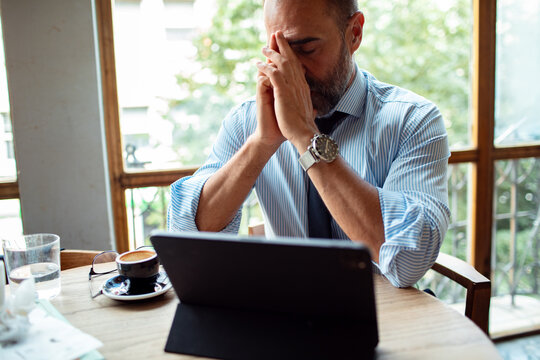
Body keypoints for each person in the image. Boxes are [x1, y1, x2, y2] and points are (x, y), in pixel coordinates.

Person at [167, 0, 450, 288]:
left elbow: (409, 260)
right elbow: (184, 237)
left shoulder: (413, 119)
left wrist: (305, 136)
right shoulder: (248, 121)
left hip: (387, 318)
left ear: (354, 33)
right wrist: (261, 143)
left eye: (305, 49)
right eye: (279, 51)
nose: (292, 70)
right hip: (287, 313)